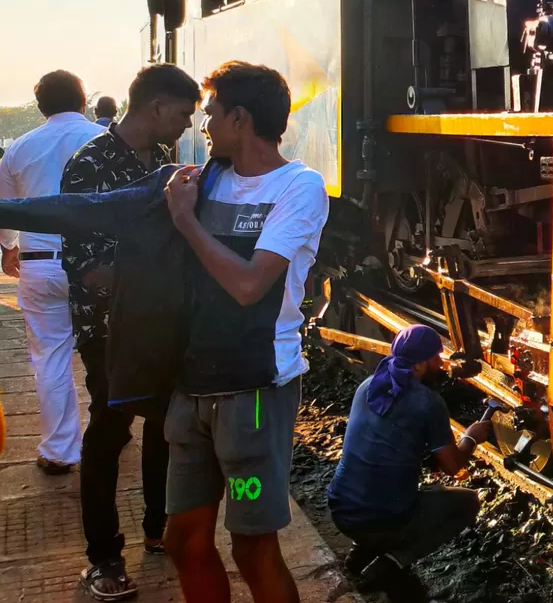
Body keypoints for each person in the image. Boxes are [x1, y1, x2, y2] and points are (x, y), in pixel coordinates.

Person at [160, 62, 328, 603]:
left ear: (239, 118)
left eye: (210, 115)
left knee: (252, 548)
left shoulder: (299, 187)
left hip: (254, 392)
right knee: (182, 539)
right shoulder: (207, 178)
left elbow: (251, 284)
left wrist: (187, 221)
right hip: (192, 386)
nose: (203, 127)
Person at [62, 64, 201, 601]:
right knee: (111, 428)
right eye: (184, 113)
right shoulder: (89, 164)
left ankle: (157, 525)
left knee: (166, 421)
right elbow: (83, 258)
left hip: (161, 322)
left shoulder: (163, 163)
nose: (187, 124)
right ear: (156, 107)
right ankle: (103, 556)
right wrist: (137, 283)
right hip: (111, 327)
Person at [327, 325, 493, 601]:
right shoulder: (428, 402)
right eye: (436, 358)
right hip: (380, 519)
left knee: (375, 481)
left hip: (341, 509)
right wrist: (471, 438)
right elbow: (453, 467)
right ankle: (393, 561)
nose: (441, 363)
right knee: (467, 501)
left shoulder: (369, 385)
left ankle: (360, 553)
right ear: (419, 364)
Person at [0, 70, 104, 474]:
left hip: (40, 265)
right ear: (84, 102)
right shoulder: (103, 141)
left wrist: (9, 248)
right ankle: (113, 429)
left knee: (51, 357)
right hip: (99, 267)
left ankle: (61, 450)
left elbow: (6, 211)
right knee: (108, 351)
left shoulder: (19, 149)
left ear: (40, 107)